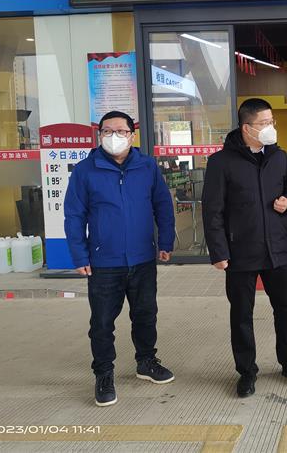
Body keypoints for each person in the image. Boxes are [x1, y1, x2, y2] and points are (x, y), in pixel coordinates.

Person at [64, 111, 175, 407]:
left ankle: (146, 361)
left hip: (142, 258)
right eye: (107, 131)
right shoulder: (85, 170)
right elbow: (74, 215)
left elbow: (163, 205)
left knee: (145, 314)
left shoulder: (147, 166)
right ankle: (103, 374)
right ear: (99, 134)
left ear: (132, 135)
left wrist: (165, 241)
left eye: (121, 131)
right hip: (104, 262)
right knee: (102, 322)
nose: (114, 136)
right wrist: (79, 254)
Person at [202, 98, 287, 398]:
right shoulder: (221, 162)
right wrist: (219, 252)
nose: (270, 127)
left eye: (271, 121)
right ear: (247, 128)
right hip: (240, 251)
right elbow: (212, 211)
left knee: (285, 308)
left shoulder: (278, 156)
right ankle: (247, 371)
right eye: (264, 123)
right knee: (242, 314)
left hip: (277, 248)